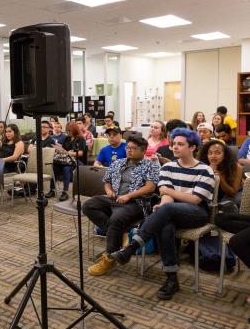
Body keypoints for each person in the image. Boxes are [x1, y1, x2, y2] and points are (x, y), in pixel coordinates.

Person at [112, 128, 215, 300]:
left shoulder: (205, 170)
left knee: (165, 210)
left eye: (180, 144)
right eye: (174, 143)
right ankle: (172, 279)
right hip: (173, 211)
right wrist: (164, 203)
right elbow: (165, 194)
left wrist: (168, 198)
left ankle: (132, 247)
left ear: (192, 147)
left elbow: (195, 200)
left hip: (197, 214)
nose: (174, 147)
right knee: (164, 225)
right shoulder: (167, 167)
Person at [83, 136, 160, 276]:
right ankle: (119, 233)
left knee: (116, 220)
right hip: (115, 199)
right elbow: (106, 181)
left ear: (143, 151)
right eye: (127, 147)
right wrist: (109, 191)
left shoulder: (151, 165)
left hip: (136, 203)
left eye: (133, 148)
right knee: (89, 205)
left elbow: (150, 187)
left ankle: (109, 257)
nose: (129, 150)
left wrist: (129, 196)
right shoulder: (118, 163)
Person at [45, 121, 86, 202]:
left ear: (74, 130)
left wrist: (68, 152)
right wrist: (59, 149)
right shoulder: (67, 138)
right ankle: (52, 190)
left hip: (76, 161)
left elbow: (80, 153)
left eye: (70, 131)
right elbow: (64, 149)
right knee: (54, 167)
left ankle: (65, 192)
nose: (68, 132)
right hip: (65, 160)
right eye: (67, 131)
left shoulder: (80, 139)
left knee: (66, 168)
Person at [199, 139, 242, 208]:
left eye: (217, 153)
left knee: (226, 204)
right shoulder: (204, 165)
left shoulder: (236, 167)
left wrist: (220, 178)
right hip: (215, 193)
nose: (213, 156)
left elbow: (232, 193)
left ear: (225, 155)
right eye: (210, 153)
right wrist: (207, 173)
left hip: (232, 192)